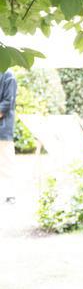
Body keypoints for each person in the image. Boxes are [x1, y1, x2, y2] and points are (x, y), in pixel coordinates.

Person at [0, 69, 17, 204]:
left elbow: (6, 104)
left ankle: (9, 194)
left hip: (3, 128)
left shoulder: (8, 75)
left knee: (5, 163)